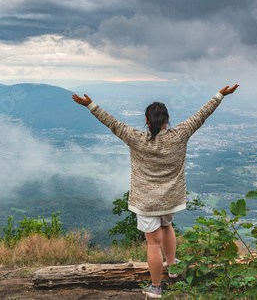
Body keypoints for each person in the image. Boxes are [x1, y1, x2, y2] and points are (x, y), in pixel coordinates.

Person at [72, 84, 239, 298]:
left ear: (147, 121)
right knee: (167, 225)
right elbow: (201, 115)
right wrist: (220, 95)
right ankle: (172, 266)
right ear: (167, 120)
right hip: (171, 199)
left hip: (146, 202)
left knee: (153, 242)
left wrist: (90, 105)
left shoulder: (135, 138)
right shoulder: (180, 134)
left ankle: (156, 287)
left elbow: (112, 123)